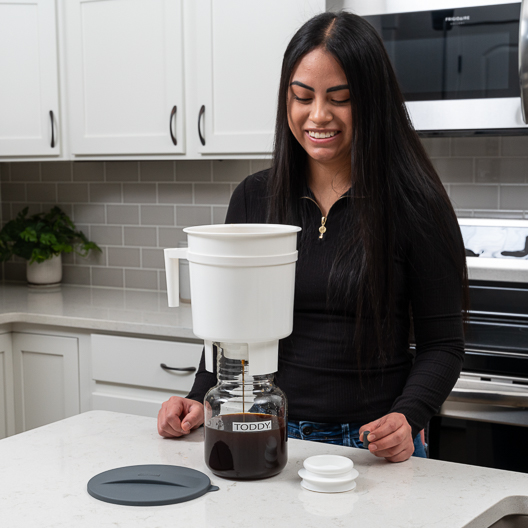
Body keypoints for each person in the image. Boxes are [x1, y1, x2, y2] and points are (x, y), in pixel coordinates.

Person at [157, 11, 468, 463]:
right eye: (303, 97)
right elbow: (227, 334)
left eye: (339, 98)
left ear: (372, 102)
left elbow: (444, 344)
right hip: (266, 433)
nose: (318, 115)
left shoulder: (416, 204)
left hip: (371, 449)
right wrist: (197, 399)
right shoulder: (253, 199)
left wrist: (409, 416)